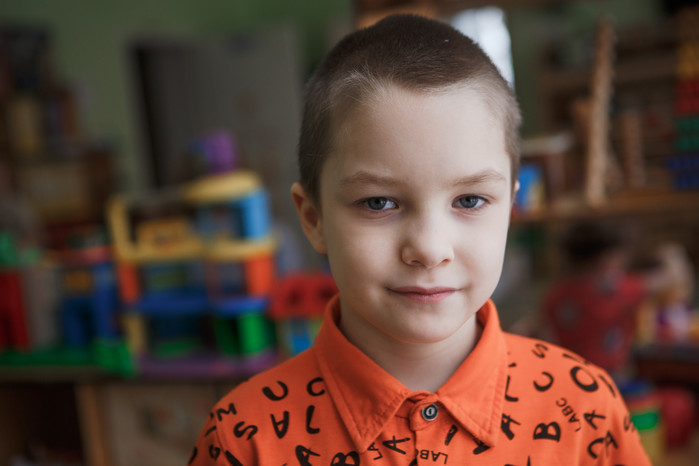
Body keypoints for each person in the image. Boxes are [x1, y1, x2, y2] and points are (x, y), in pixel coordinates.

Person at [189, 14, 650, 465]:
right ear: (314, 220)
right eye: (378, 203)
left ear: (510, 209)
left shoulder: (585, 411)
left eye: (469, 200)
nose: (429, 249)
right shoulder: (243, 440)